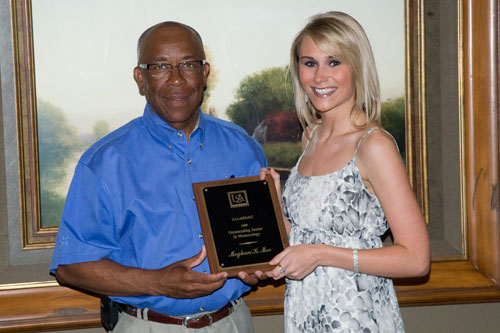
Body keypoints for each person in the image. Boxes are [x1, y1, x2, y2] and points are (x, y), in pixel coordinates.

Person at [50, 21, 267, 333]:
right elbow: (71, 267)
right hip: (149, 326)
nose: (176, 79)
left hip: (232, 321)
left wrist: (259, 267)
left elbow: (263, 241)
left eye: (188, 64)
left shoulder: (244, 147)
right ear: (141, 78)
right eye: (161, 66)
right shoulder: (104, 161)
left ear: (204, 74)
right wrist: (158, 282)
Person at [261, 11, 430, 332]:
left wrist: (321, 254)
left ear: (357, 66)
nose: (319, 76)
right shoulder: (310, 136)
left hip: (357, 317)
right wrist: (272, 200)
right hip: (305, 312)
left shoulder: (373, 145)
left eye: (334, 62)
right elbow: (305, 236)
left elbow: (416, 260)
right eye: (309, 63)